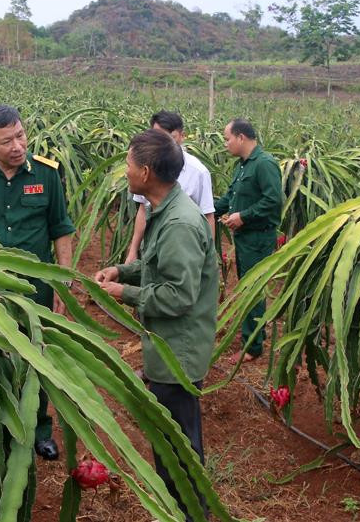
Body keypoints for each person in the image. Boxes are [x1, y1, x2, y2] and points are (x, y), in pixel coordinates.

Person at [95, 129, 218, 522]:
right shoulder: (168, 211)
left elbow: (178, 297)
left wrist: (122, 293)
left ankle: (190, 513)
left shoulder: (179, 224)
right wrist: (124, 271)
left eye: (129, 164)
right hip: (169, 345)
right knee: (174, 439)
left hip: (177, 351)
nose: (125, 170)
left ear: (145, 172)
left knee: (177, 445)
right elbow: (158, 270)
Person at [0, 104, 75, 461]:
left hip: (35, 287)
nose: (18, 146)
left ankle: (39, 429)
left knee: (37, 354)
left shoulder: (48, 174)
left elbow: (61, 230)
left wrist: (64, 281)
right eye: (7, 141)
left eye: (21, 135)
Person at [214, 118, 282, 363]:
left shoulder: (264, 164)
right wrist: (205, 209)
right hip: (244, 239)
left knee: (252, 291)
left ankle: (252, 347)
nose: (225, 144)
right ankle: (253, 337)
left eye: (227, 138)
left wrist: (243, 216)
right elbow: (229, 199)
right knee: (247, 288)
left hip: (258, 238)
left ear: (241, 137)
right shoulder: (242, 166)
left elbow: (273, 201)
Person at [124, 110, 215, 263]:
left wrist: (209, 258)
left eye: (167, 137)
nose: (161, 143)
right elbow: (142, 209)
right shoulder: (144, 166)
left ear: (181, 136)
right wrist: (133, 250)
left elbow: (208, 215)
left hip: (185, 250)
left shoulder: (199, 172)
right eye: (156, 136)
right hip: (152, 247)